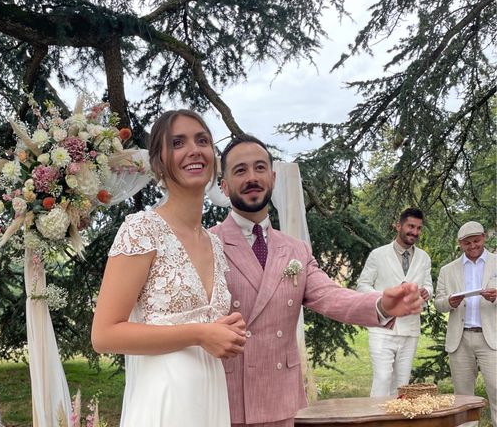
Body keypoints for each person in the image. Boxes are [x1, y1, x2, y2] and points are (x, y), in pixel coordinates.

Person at [210, 134, 424, 427]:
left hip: (282, 397)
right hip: (226, 396)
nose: (252, 177)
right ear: (224, 185)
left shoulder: (295, 249)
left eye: (260, 168)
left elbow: (331, 296)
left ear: (272, 178)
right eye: (240, 170)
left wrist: (381, 304)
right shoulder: (208, 243)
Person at [91, 110, 246, 427]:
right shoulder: (141, 229)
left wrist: (225, 330)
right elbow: (104, 335)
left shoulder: (213, 244)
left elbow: (204, 327)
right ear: (159, 162)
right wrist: (201, 333)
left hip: (211, 399)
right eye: (178, 143)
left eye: (202, 140)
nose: (194, 150)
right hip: (164, 401)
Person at [356, 208, 433, 397]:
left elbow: (429, 286)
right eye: (411, 226)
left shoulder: (424, 257)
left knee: (402, 384)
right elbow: (362, 286)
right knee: (382, 379)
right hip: (382, 329)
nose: (415, 232)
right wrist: (387, 298)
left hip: (410, 329)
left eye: (419, 228)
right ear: (399, 226)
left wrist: (426, 292)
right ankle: (376, 421)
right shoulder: (378, 255)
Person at [434, 221, 496, 426]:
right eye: (467, 243)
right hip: (459, 340)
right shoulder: (447, 270)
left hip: (492, 339)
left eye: (476, 241)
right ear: (460, 244)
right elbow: (438, 303)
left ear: (484, 237)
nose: (472, 246)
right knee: (462, 398)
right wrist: (449, 302)